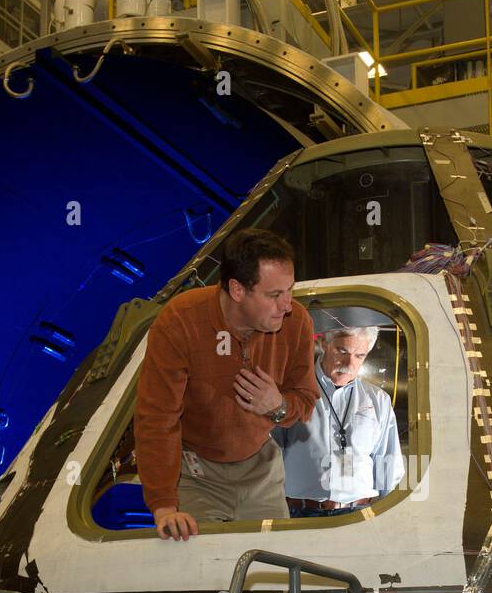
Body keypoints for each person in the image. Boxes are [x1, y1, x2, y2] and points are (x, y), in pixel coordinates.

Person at [134, 229, 319, 540]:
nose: (287, 305)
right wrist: (164, 504)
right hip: (196, 476)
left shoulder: (297, 322)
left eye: (290, 290)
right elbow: (157, 417)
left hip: (262, 471)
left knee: (276, 571)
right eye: (274, 295)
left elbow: (305, 403)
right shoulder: (180, 320)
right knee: (203, 575)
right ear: (236, 290)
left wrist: (278, 406)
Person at [276, 314, 405, 518]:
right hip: (299, 514)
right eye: (342, 351)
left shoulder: (378, 400)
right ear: (323, 344)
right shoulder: (291, 391)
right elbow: (270, 454)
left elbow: (388, 462)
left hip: (359, 515)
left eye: (359, 355)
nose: (349, 363)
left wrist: (392, 516)